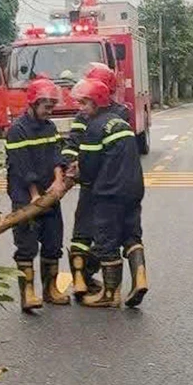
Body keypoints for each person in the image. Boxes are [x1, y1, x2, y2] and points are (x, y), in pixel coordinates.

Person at [70, 77, 148, 308]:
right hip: (132, 190)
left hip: (109, 193)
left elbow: (89, 167)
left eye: (84, 103)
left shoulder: (94, 129)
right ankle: (140, 277)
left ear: (97, 102)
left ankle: (110, 294)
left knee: (106, 241)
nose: (81, 108)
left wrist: (76, 173)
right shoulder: (119, 121)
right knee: (131, 234)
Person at [62, 63, 130, 301]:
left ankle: (84, 281)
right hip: (107, 185)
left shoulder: (90, 117)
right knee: (105, 233)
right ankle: (94, 285)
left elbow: (73, 144)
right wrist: (72, 164)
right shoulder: (120, 113)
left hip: (93, 184)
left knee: (84, 231)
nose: (81, 106)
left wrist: (74, 164)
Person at [5, 77, 70, 311]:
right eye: (46, 107)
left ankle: (51, 290)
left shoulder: (50, 127)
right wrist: (34, 195)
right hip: (25, 197)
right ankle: (28, 294)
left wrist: (58, 181)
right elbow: (23, 167)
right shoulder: (16, 131)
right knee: (27, 244)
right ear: (33, 103)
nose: (49, 111)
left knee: (53, 242)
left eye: (52, 106)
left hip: (49, 195)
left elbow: (56, 155)